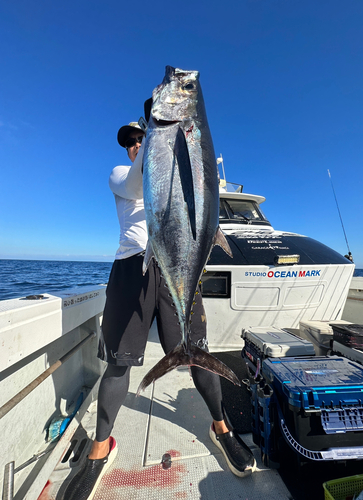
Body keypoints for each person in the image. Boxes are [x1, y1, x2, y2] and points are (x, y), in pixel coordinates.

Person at [63, 116, 256, 500]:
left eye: (142, 137)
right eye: (132, 140)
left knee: (197, 355)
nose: (137, 143)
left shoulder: (171, 171)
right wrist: (156, 141)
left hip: (177, 266)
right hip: (131, 269)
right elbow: (139, 180)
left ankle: (221, 428)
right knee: (118, 363)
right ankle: (101, 448)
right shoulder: (121, 174)